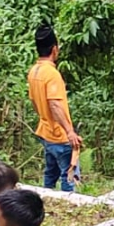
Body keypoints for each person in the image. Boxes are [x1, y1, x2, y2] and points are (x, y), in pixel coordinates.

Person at [28, 24, 83, 194]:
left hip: (45, 131)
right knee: (68, 175)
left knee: (50, 173)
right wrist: (70, 132)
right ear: (55, 49)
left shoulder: (34, 71)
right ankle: (69, 203)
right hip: (59, 136)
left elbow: (34, 101)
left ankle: (45, 201)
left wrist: (44, 118)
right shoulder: (52, 74)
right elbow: (54, 104)